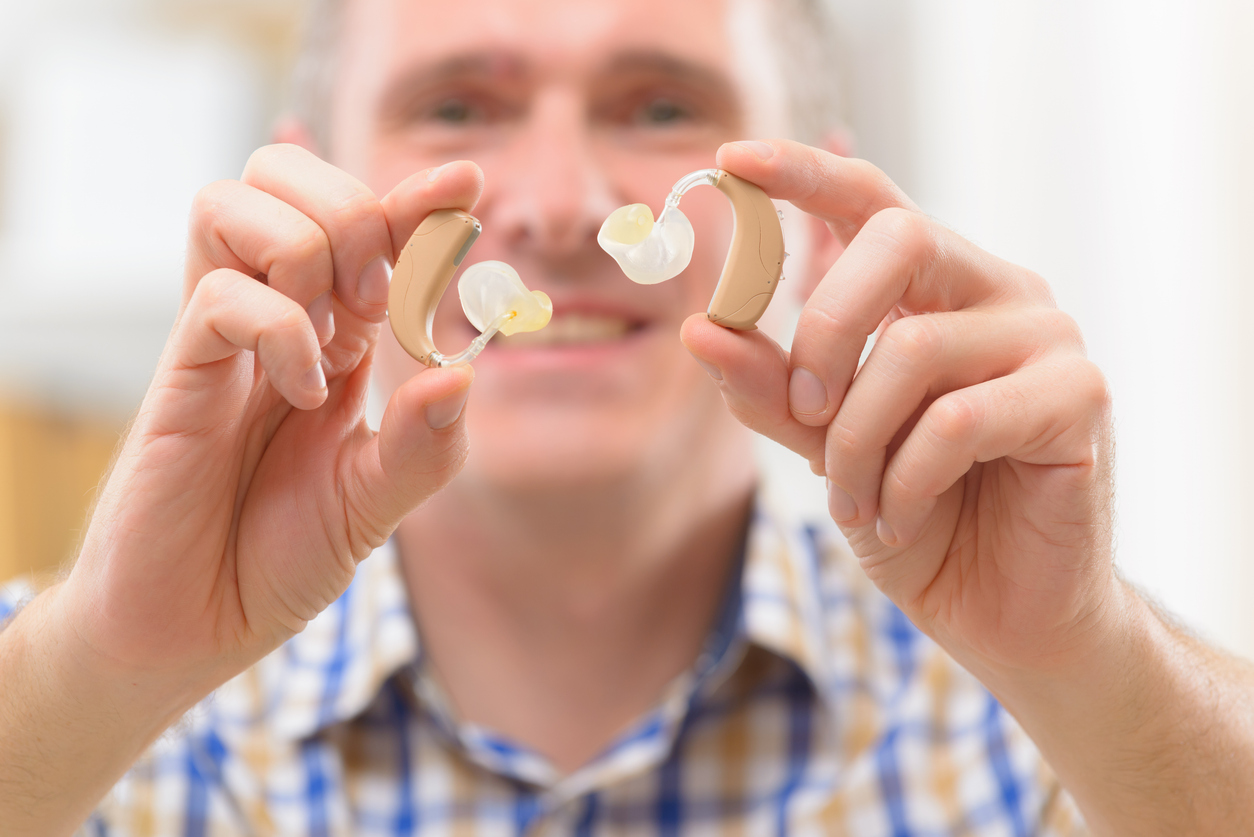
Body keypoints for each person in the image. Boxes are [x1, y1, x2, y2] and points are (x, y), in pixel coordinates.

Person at [2, 0, 1252, 833]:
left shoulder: (1057, 724)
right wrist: (105, 668)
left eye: (660, 107)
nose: (559, 203)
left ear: (816, 213)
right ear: (309, 177)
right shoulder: (79, 689)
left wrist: (1091, 668)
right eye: (457, 105)